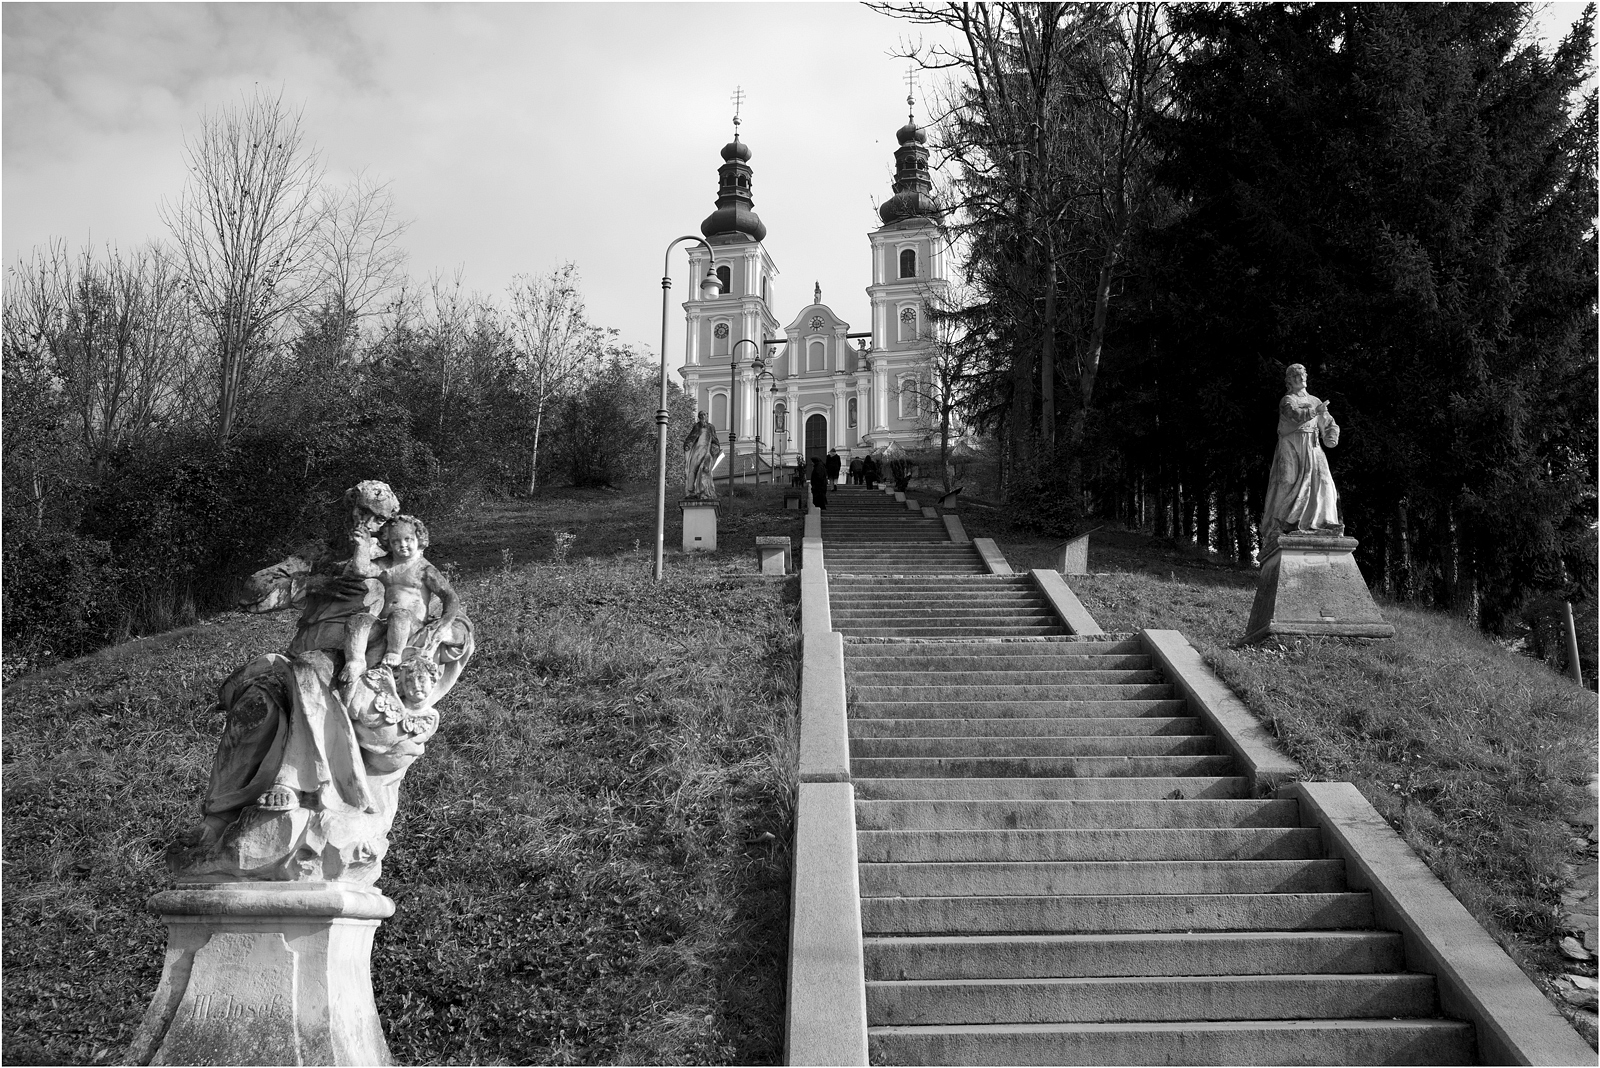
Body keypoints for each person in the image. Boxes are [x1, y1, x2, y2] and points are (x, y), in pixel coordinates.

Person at [341, 516, 460, 699]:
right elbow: (361, 570)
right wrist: (362, 546)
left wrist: (445, 622)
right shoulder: (386, 565)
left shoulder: (423, 569)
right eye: (396, 541)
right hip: (384, 624)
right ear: (388, 542)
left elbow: (450, 596)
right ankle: (355, 661)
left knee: (400, 615)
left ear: (419, 540)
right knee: (357, 621)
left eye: (408, 540)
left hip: (411, 624)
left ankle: (394, 653)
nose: (402, 545)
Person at [1259, 362, 1343, 553]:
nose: (1301, 378)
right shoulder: (1287, 400)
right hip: (1291, 445)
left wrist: (1331, 435)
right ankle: (1281, 524)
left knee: (1324, 482)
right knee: (1287, 481)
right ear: (1289, 381)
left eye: (1303, 374)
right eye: (1296, 375)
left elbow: (1329, 423)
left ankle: (1325, 522)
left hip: (1313, 445)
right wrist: (1316, 412)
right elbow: (1294, 415)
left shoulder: (1315, 400)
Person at [682, 411, 722, 499]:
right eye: (701, 415)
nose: (703, 417)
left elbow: (715, 439)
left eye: (704, 415)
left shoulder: (710, 427)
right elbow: (691, 437)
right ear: (699, 417)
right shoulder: (697, 427)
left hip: (706, 451)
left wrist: (715, 447)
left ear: (707, 416)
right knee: (693, 470)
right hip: (696, 451)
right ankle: (691, 491)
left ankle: (704, 491)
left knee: (705, 469)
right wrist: (688, 445)